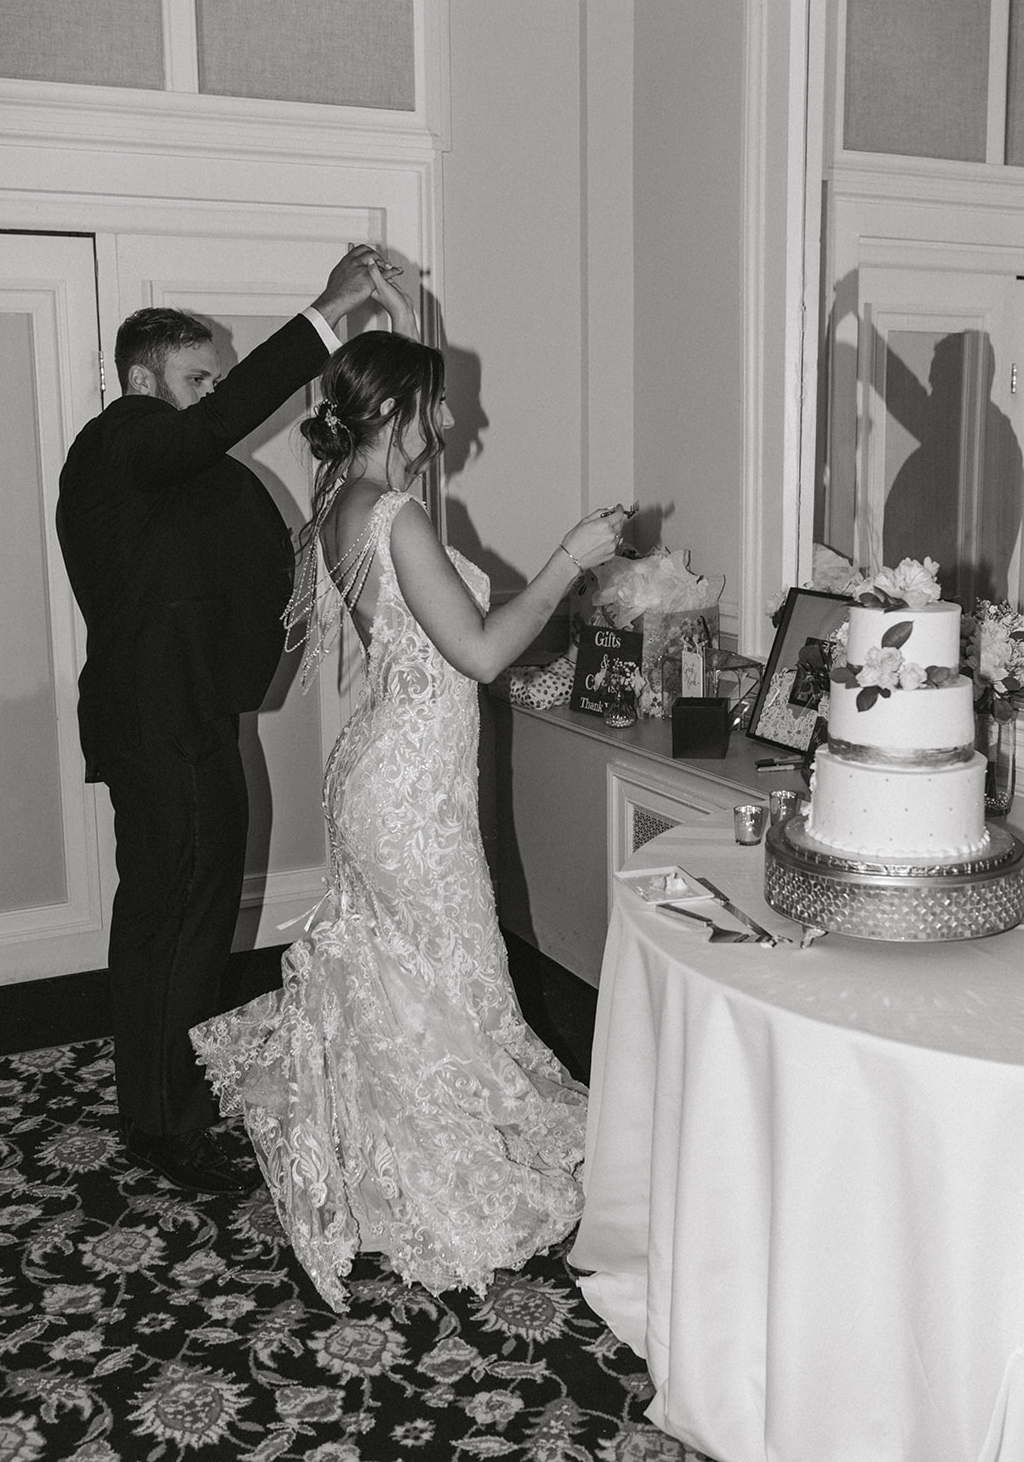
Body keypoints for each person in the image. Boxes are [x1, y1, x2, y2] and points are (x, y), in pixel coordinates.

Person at [191, 267, 628, 1308]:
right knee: (450, 971)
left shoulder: (343, 501)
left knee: (413, 976)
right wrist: (571, 557)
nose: (449, 415)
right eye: (436, 399)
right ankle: (437, 1175)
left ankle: (389, 1154)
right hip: (408, 794)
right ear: (396, 409)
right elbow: (477, 652)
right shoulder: (397, 516)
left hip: (385, 769)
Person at [56, 245, 390, 1196]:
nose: (213, 399)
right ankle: (166, 1124)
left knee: (182, 915)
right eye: (198, 379)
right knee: (176, 920)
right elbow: (205, 443)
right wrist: (326, 316)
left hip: (187, 717)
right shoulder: (121, 438)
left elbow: (239, 559)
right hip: (161, 722)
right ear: (139, 379)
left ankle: (160, 1098)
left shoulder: (172, 476)